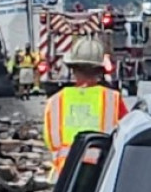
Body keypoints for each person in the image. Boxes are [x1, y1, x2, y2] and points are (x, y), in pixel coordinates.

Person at [43, 36, 127, 181]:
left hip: (65, 177)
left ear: (72, 69)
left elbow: (50, 141)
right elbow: (126, 133)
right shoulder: (113, 99)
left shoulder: (55, 101)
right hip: (100, 174)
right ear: (100, 70)